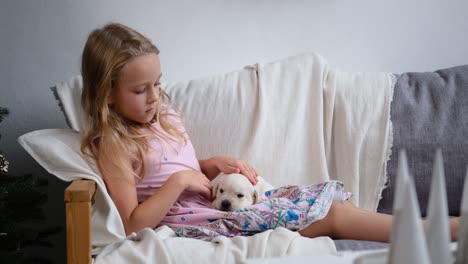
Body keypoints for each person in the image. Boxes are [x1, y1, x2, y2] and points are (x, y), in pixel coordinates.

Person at [80, 22, 460, 242]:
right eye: (139, 90)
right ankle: (434, 231)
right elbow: (131, 223)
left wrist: (210, 165)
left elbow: (181, 165)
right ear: (106, 95)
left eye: (157, 84)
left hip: (211, 202)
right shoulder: (115, 144)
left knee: (330, 204)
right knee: (331, 219)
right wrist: (179, 182)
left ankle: (432, 227)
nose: (153, 97)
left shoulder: (164, 116)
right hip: (198, 222)